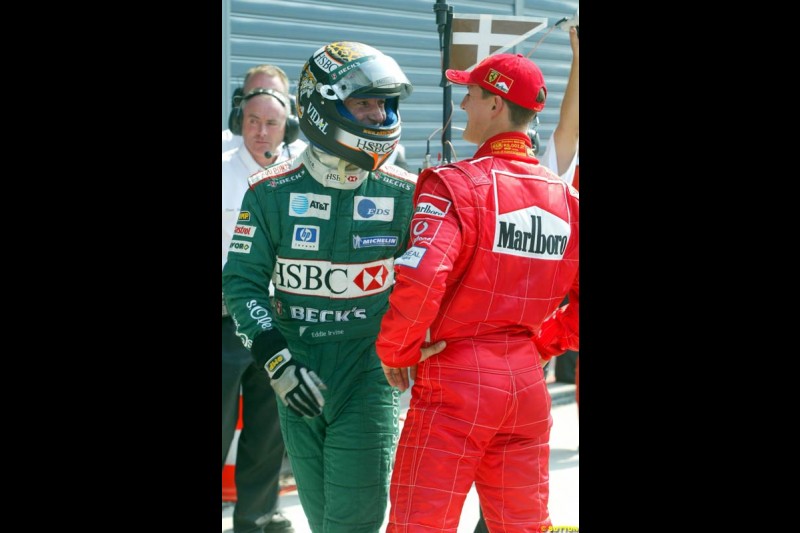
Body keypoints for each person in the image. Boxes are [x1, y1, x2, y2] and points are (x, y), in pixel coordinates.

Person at [222, 41, 436, 533]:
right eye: (363, 102)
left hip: (369, 377)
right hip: (296, 379)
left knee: (351, 523)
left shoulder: (407, 192)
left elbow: (439, 281)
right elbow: (241, 284)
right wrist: (277, 361)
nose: (378, 114)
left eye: (385, 103)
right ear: (320, 104)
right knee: (324, 522)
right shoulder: (269, 191)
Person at [375, 52, 579, 532]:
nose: (462, 102)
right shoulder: (567, 200)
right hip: (527, 383)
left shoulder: (454, 184)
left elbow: (422, 277)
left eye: (471, 93)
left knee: (419, 525)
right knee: (523, 526)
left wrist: (397, 352)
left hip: (455, 380)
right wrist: (539, 345)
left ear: (495, 104)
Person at [222, 82, 308, 533]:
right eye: (252, 121)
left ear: (287, 128)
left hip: (277, 322)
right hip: (223, 321)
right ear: (240, 124)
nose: (260, 131)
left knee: (268, 432)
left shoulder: (296, 177)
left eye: (271, 123)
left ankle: (254, 521)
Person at [224, 64, 307, 156]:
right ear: (239, 102)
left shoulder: (302, 156)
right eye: (255, 93)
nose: (266, 102)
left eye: (275, 95)